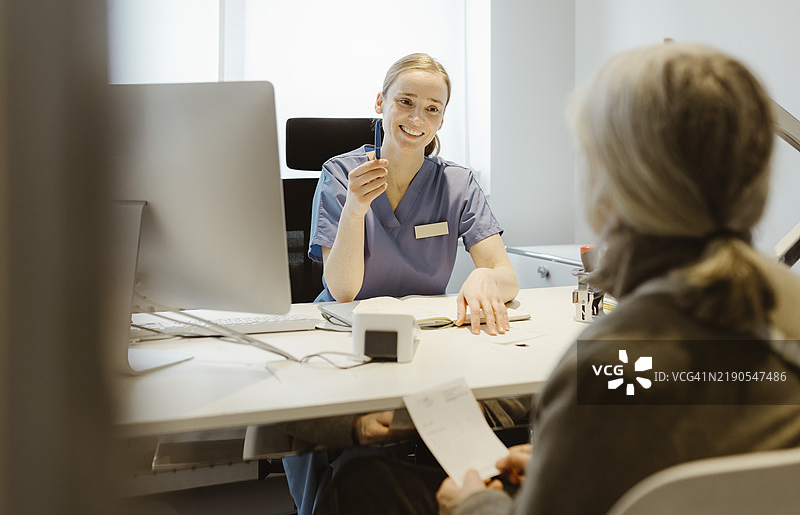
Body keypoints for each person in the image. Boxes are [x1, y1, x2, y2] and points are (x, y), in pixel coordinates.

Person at [315, 43, 800, 514]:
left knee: (362, 484)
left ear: (613, 189)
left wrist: (475, 504)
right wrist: (563, 458)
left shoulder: (612, 363)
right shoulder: (779, 339)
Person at [280, 53, 526, 515]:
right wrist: (356, 208)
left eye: (432, 109)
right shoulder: (341, 174)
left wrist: (484, 275)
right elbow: (344, 291)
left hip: (426, 337)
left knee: (480, 414)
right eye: (406, 102)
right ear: (381, 102)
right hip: (345, 337)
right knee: (329, 426)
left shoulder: (457, 183)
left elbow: (505, 275)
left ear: (442, 119)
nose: (417, 119)